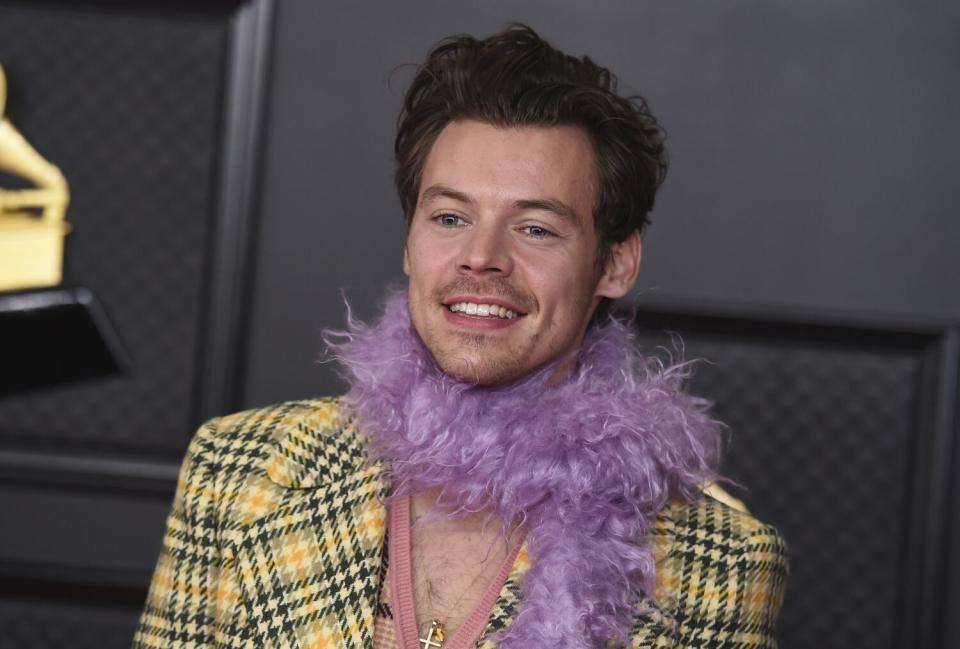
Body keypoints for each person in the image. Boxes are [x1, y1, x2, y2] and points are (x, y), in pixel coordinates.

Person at [132, 24, 787, 649]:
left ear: (614, 262)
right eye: (450, 216)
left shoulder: (721, 561)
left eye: (535, 228)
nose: (481, 257)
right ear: (411, 242)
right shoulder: (237, 471)